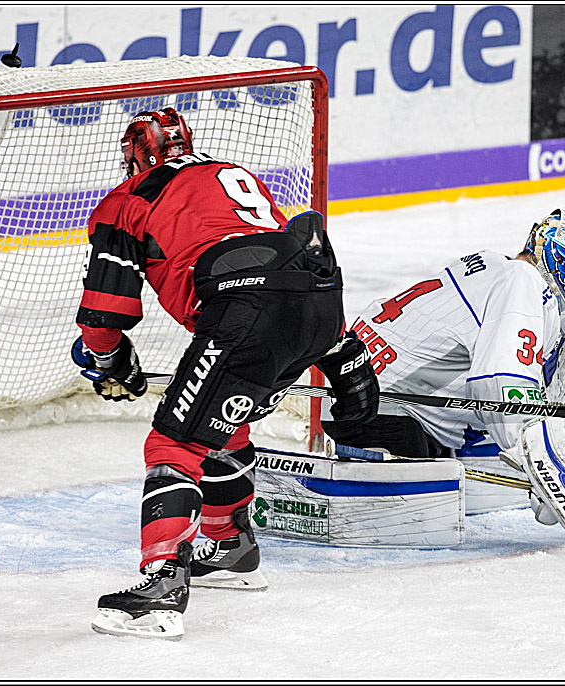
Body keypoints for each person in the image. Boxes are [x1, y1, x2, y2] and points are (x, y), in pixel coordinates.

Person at [71, 107, 378, 640]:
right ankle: (230, 545)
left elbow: (104, 314)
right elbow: (291, 268)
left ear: (137, 156)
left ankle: (160, 588)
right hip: (323, 305)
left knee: (172, 446)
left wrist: (108, 363)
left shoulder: (127, 201)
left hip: (247, 313)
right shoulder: (233, 175)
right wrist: (346, 361)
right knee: (217, 420)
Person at [322, 208, 565, 530]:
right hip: (380, 413)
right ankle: (371, 462)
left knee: (478, 430)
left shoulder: (496, 268)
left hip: (356, 385)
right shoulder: (524, 279)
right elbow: (503, 379)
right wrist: (540, 468)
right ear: (556, 259)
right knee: (428, 508)